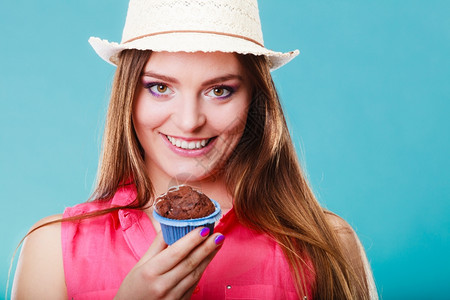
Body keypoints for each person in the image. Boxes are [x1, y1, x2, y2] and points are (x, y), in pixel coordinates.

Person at [11, 0, 378, 299]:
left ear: (255, 100)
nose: (189, 122)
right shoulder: (53, 253)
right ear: (128, 96)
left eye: (220, 90)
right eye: (159, 87)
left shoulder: (326, 246)